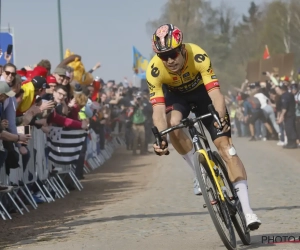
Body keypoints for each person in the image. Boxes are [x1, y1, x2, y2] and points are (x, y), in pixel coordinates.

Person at [146, 23, 261, 230]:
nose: (169, 60)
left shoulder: (197, 54)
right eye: (164, 56)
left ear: (181, 49)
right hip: (176, 98)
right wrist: (160, 138)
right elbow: (158, 111)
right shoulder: (154, 70)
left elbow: (216, 94)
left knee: (227, 148)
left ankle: (247, 210)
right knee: (173, 125)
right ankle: (197, 170)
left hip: (202, 94)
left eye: (172, 54)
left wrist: (221, 116)